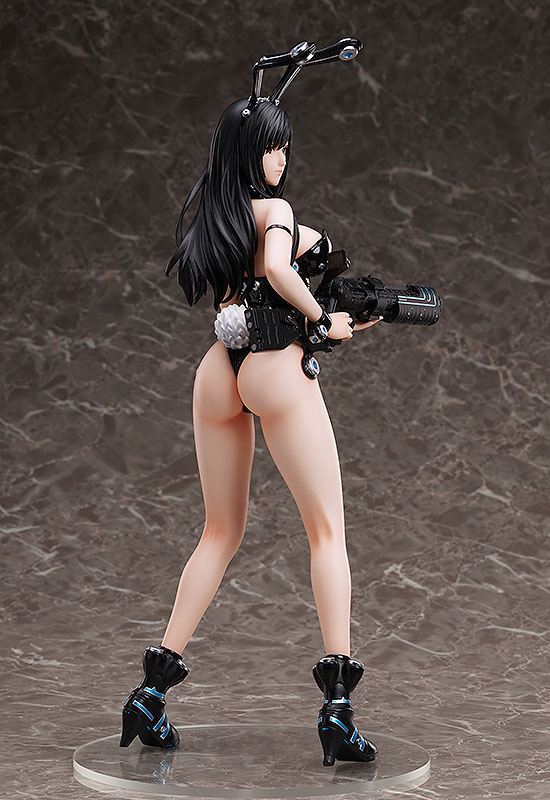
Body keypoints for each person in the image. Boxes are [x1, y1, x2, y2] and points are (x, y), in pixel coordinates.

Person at [119, 39, 380, 767]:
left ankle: (149, 695)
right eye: (272, 148)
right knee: (326, 533)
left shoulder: (216, 210)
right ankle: (337, 711)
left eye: (284, 147)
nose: (281, 159)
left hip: (218, 368)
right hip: (273, 365)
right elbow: (275, 265)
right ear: (251, 152)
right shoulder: (276, 211)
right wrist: (321, 319)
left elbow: (257, 270)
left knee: (219, 531)